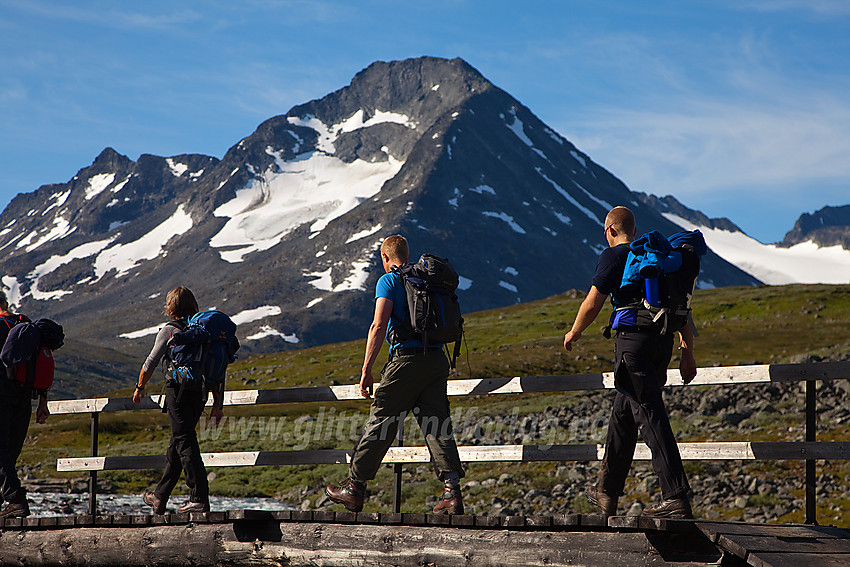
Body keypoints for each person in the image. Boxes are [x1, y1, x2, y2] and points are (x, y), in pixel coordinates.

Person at [563, 206, 697, 519]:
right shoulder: (656, 259)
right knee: (624, 415)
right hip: (661, 344)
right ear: (634, 231)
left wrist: (575, 331)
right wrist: (687, 352)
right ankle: (607, 492)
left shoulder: (614, 256)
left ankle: (676, 496)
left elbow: (594, 301)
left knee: (649, 414)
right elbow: (681, 308)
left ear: (610, 230)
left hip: (632, 344)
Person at [325, 235, 465, 514]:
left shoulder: (389, 280)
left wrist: (366, 370)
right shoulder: (427, 279)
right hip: (437, 360)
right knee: (437, 424)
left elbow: (378, 326)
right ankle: (452, 492)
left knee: (382, 421)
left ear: (386, 258)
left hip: (405, 362)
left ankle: (355, 489)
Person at [133, 286, 222, 514]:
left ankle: (199, 496)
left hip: (178, 390)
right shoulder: (203, 332)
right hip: (199, 393)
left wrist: (140, 387)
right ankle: (160, 497)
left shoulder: (170, 330)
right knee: (178, 443)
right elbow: (218, 371)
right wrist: (217, 405)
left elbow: (150, 363)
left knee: (184, 442)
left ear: (171, 307)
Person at [0, 292, 49, 519]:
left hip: (2, 396)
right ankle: (8, 501)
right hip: (25, 397)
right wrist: (43, 402)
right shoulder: (25, 325)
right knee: (10, 453)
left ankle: (16, 499)